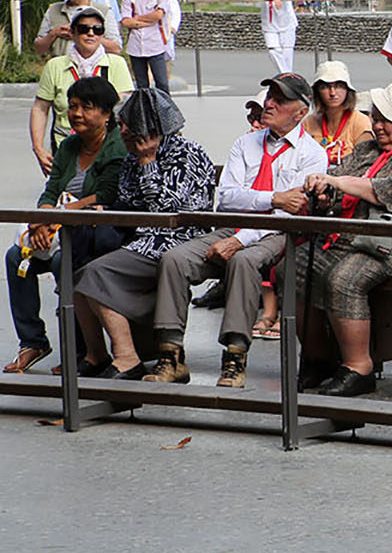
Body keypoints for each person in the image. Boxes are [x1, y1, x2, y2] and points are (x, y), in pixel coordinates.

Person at [142, 73, 328, 387]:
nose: (269, 104)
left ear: (301, 111)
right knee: (174, 259)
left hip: (277, 233)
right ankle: (171, 354)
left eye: (280, 100)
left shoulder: (312, 154)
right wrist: (272, 198)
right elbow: (228, 196)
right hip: (232, 225)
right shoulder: (246, 143)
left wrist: (241, 238)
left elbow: (289, 212)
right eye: (269, 96)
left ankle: (234, 357)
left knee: (244, 261)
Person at [294, 82, 392, 396]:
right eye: (375, 117)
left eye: (386, 119)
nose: (377, 125)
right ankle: (319, 356)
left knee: (345, 278)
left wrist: (339, 181)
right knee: (294, 268)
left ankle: (358, 366)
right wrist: (325, 193)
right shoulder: (367, 150)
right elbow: (341, 186)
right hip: (356, 237)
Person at [70, 90, 216, 378]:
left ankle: (127, 358)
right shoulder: (130, 158)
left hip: (178, 239)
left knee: (94, 275)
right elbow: (130, 199)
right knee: (76, 277)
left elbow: (166, 210)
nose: (122, 130)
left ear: (150, 127)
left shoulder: (186, 153)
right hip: (140, 238)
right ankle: (96, 354)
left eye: (129, 124)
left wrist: (148, 161)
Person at [5, 76, 126, 374]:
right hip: (60, 226)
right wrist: (43, 220)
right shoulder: (70, 145)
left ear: (107, 113)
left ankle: (80, 349)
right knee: (15, 257)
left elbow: (106, 195)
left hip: (97, 232)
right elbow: (50, 190)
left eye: (87, 107)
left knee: (64, 261)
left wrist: (56, 217)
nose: (77, 114)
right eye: (72, 107)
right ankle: (33, 341)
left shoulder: (117, 147)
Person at [31, 6, 133, 171]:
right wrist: (38, 149)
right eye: (84, 29)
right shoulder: (55, 66)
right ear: (72, 33)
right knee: (64, 195)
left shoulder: (116, 64)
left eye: (97, 29)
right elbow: (40, 108)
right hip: (65, 149)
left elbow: (125, 109)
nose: (91, 33)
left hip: (107, 152)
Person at [34, 0, 122, 58]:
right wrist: (54, 33)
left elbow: (116, 49)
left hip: (94, 69)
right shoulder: (53, 10)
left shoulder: (104, 11)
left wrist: (84, 36)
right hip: (61, 68)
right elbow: (38, 49)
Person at [119, 0, 179, 90]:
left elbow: (158, 15)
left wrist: (138, 18)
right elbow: (125, 20)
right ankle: (144, 110)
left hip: (155, 45)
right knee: (142, 85)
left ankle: (163, 110)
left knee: (162, 83)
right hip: (136, 45)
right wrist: (144, 20)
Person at [304, 60, 374, 167]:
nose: (332, 93)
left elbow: (364, 163)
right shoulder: (309, 122)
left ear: (347, 90)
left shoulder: (360, 122)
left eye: (338, 86)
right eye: (325, 87)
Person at [248, 0, 299, 71]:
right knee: (273, 50)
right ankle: (286, 74)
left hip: (286, 22)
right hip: (269, 22)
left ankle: (286, 75)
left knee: (287, 53)